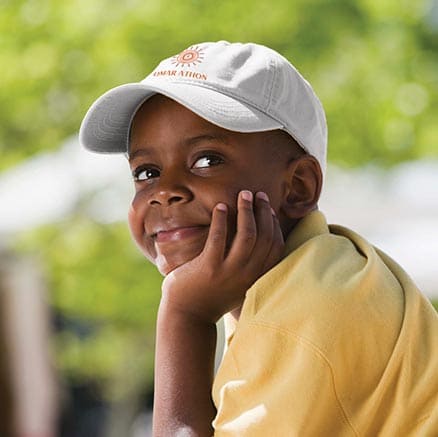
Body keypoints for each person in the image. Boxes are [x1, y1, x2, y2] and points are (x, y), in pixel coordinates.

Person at [79, 41, 438, 436]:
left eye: (206, 160)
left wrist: (184, 315)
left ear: (298, 187)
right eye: (146, 172)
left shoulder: (308, 312)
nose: (165, 191)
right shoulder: (323, 272)